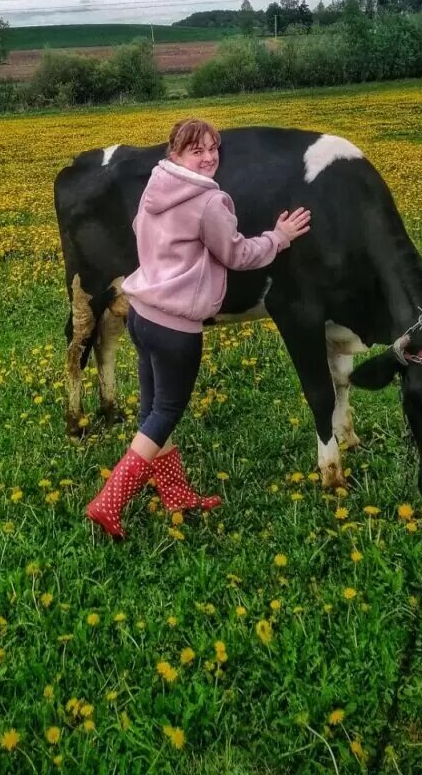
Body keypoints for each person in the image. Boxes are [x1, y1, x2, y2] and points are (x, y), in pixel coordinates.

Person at [85, 118, 311, 539]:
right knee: (166, 413)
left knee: (154, 412)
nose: (208, 158)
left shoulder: (156, 186)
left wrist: (171, 261)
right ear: (176, 154)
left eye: (213, 149)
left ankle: (176, 492)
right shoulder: (210, 202)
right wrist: (279, 237)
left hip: (141, 315)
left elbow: (139, 231)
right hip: (174, 328)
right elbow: (237, 254)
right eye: (197, 150)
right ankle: (108, 501)